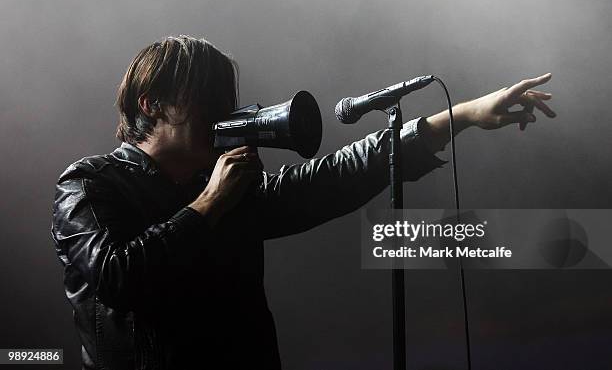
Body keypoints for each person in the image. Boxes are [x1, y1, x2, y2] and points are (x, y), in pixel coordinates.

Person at [51, 35, 555, 369]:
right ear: (151, 103)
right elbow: (119, 278)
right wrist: (209, 203)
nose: (219, 112)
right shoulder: (90, 185)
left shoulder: (231, 188)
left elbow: (335, 177)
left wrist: (463, 114)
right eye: (204, 98)